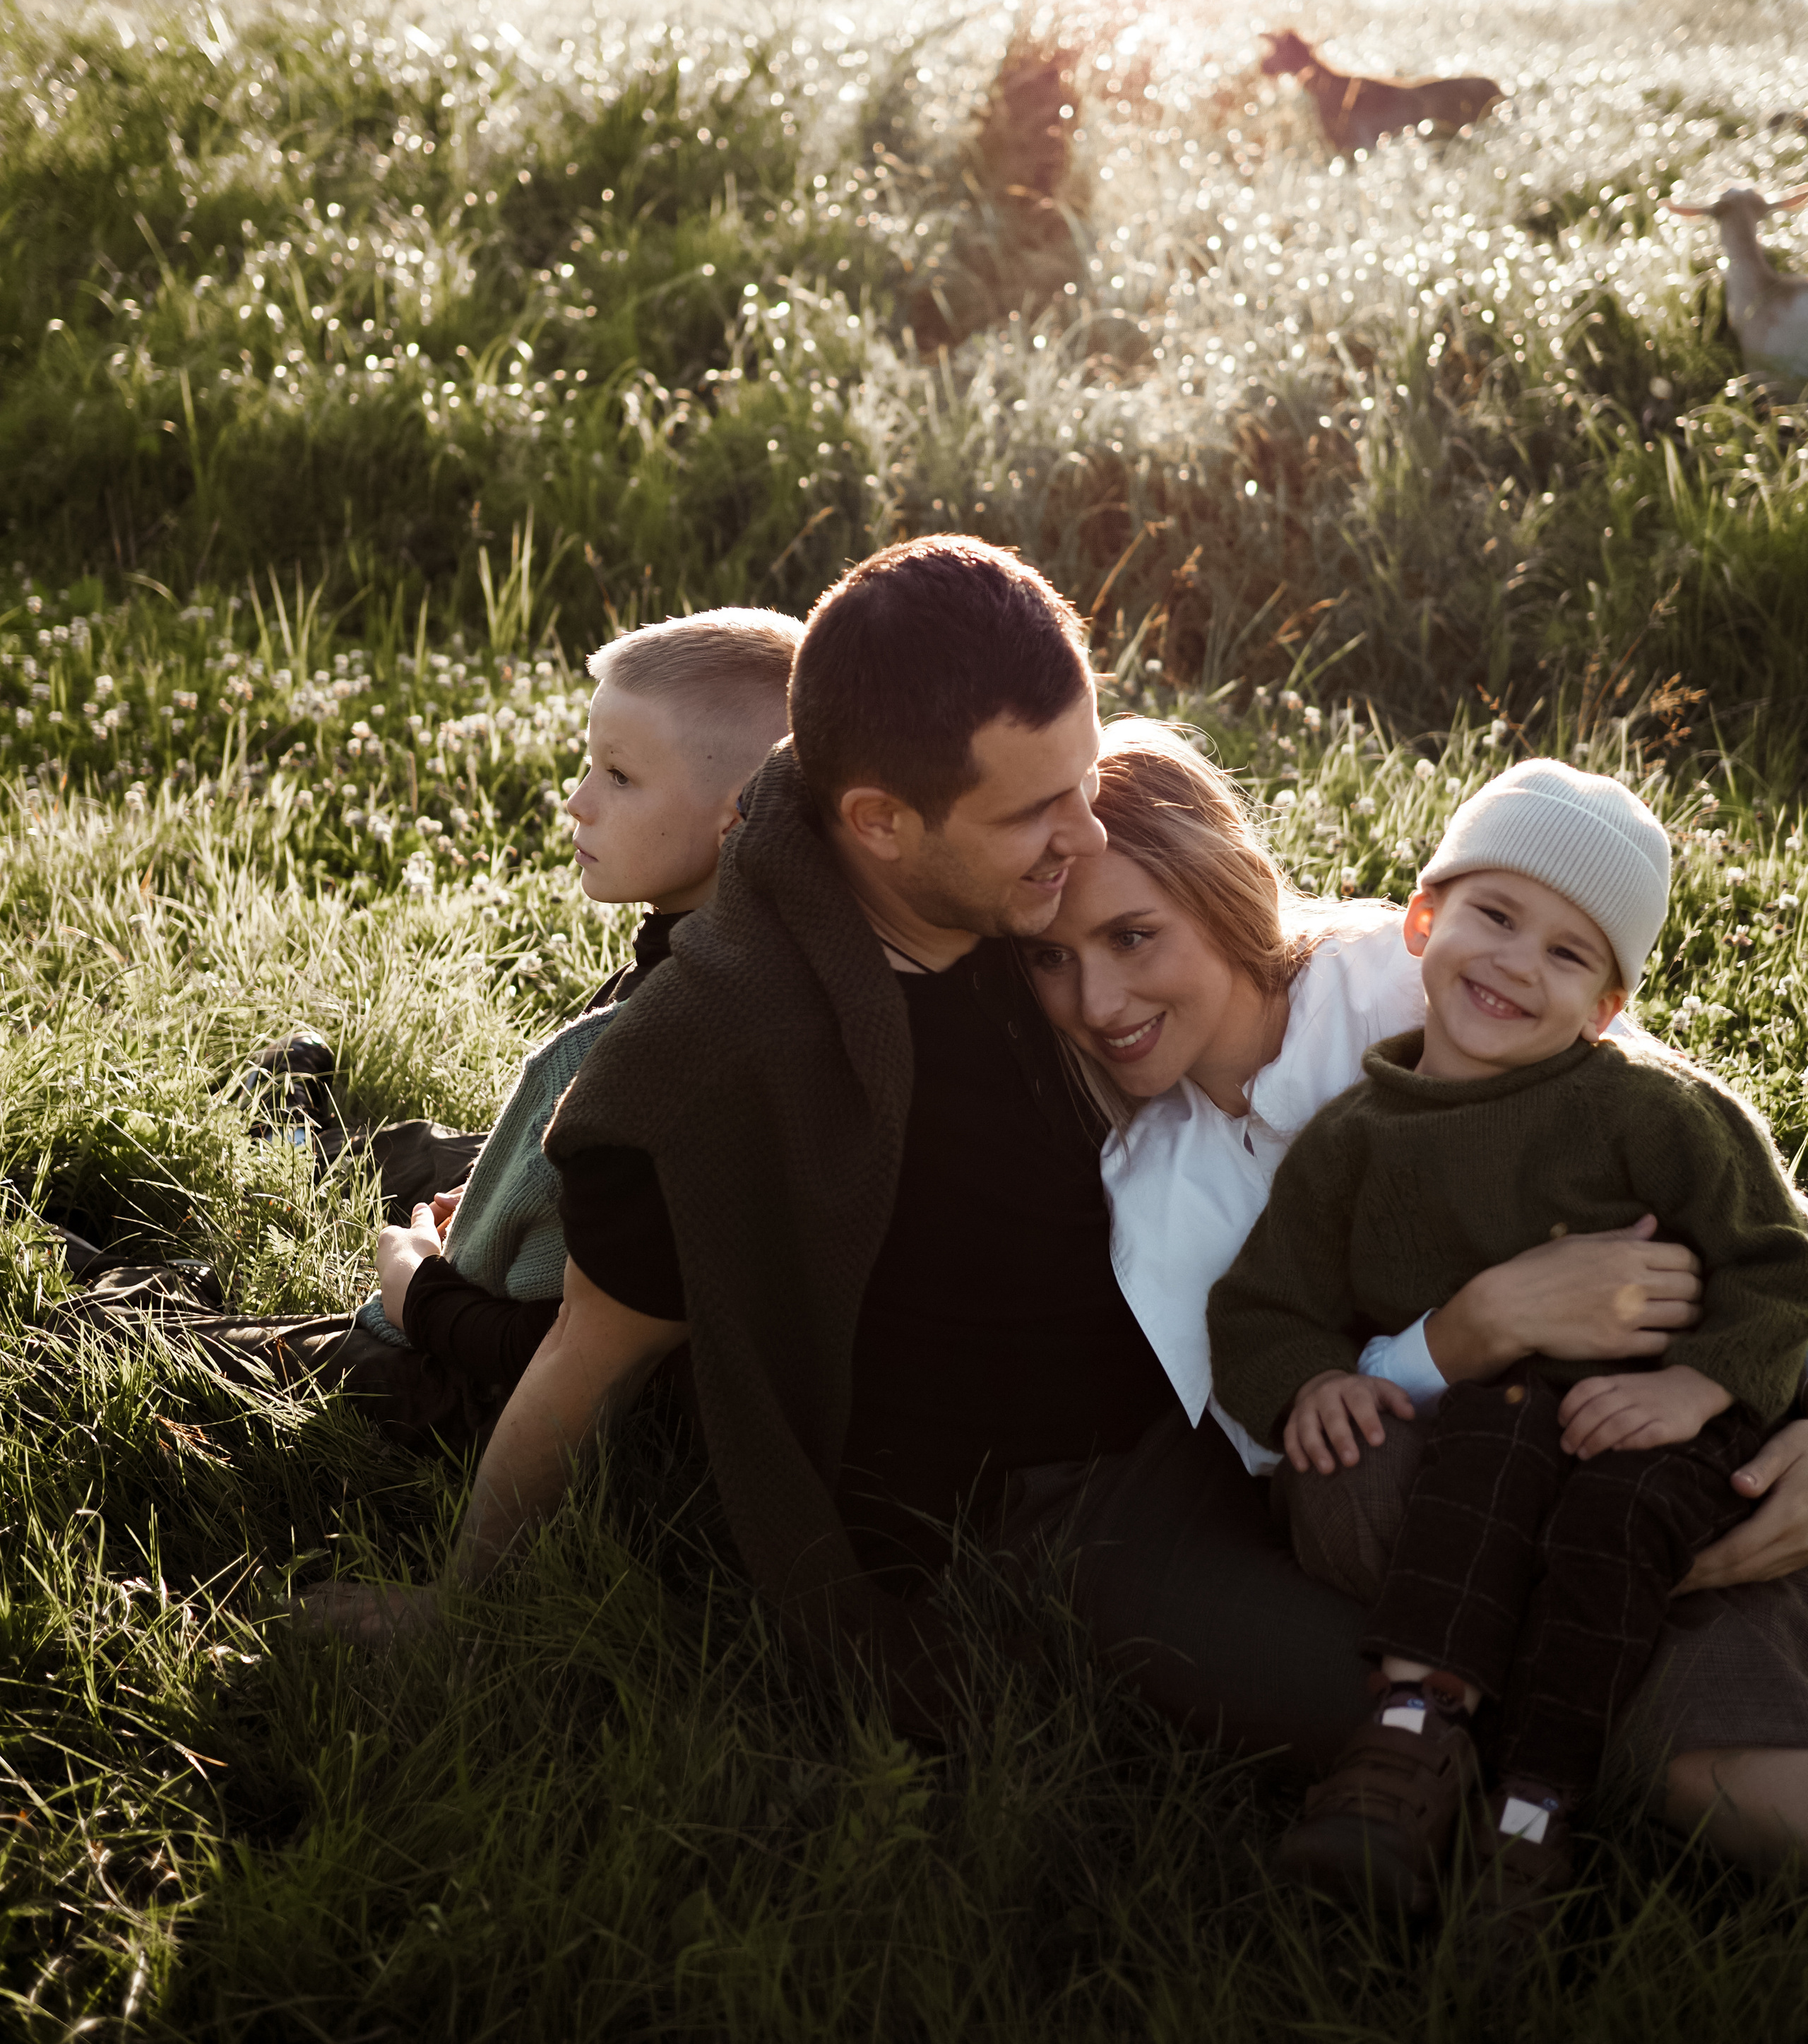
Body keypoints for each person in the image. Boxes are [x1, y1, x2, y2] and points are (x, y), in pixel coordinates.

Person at [319, 538, 1384, 1759]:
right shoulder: (724, 1057)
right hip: (1056, 1493)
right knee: (1382, 1700)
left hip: (1245, 1333)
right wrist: (456, 1610)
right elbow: (586, 1362)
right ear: (878, 821)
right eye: (1035, 810)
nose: (1081, 833)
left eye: (1081, 781)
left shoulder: (1006, 889)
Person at [1025, 720, 1808, 1872]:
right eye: (1048, 956)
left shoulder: (1416, 969)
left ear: (1224, 887)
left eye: (1135, 934)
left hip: (1677, 1414)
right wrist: (1466, 1330)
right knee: (1383, 1498)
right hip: (1478, 1512)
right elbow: (1285, 1431)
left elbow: (1732, 1202)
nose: (1096, 998)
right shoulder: (1153, 1190)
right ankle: (1590, 1720)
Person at [63, 607, 801, 1456]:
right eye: (588, 764)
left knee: (209, 1349)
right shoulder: (728, 939)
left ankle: (88, 1272)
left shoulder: (680, 1043)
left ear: (738, 817)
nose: (576, 800)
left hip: (491, 1395)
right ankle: (302, 1135)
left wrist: (421, 1293)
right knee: (447, 1155)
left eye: (621, 777)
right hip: (537, 1309)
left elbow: (577, 1354)